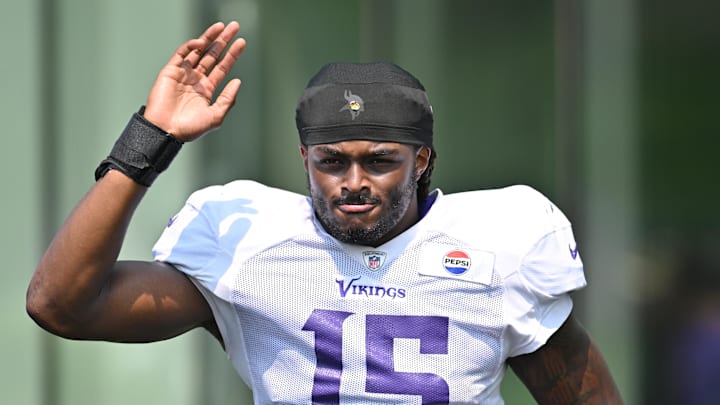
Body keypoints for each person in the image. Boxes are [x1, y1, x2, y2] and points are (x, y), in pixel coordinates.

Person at [27, 21, 624, 404]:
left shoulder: (499, 242)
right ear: (304, 159)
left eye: (380, 161)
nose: (354, 184)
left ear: (423, 161)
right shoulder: (249, 244)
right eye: (332, 162)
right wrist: (149, 139)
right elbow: (61, 306)